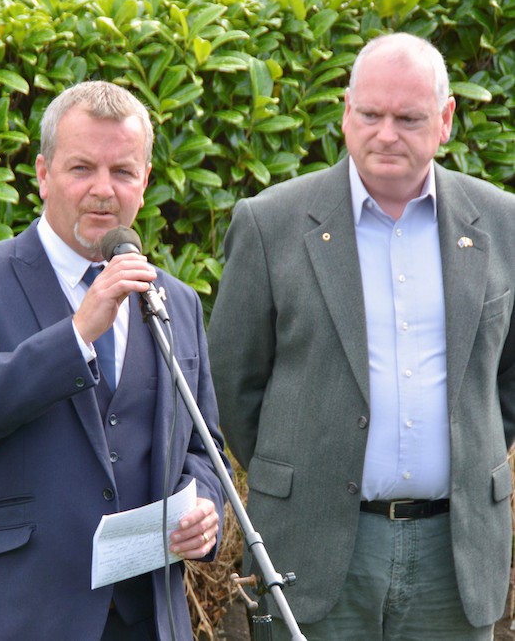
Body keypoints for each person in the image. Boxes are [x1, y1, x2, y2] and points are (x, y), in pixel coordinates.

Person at [207, 33, 515, 640]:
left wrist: (465, 445)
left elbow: (508, 381)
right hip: (312, 550)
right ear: (346, 111)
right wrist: (301, 474)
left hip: (452, 556)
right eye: (370, 114)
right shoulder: (270, 224)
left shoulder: (503, 224)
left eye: (409, 118)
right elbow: (230, 385)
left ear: (446, 119)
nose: (386, 133)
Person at [0, 80, 228, 641]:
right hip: (18, 614)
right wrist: (78, 333)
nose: (103, 191)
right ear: (42, 174)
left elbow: (204, 446)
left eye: (123, 172)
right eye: (81, 168)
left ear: (146, 183)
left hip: (148, 619)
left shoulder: (176, 301)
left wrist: (204, 508)